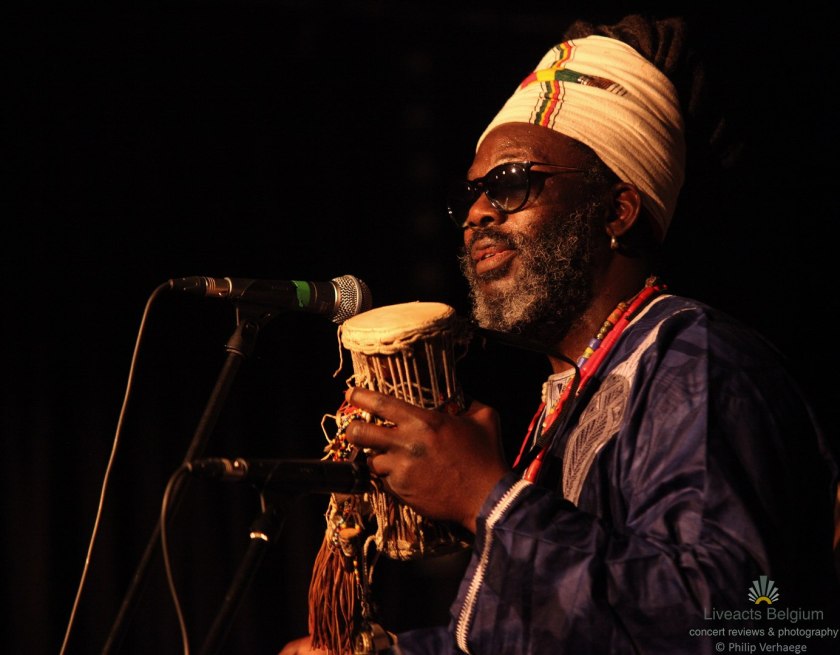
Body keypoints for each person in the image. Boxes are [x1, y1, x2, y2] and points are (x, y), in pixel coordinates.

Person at [282, 13, 840, 655]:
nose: (477, 214)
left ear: (617, 211)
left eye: (511, 184)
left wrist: (485, 498)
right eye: (472, 194)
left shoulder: (700, 363)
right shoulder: (572, 398)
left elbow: (728, 625)